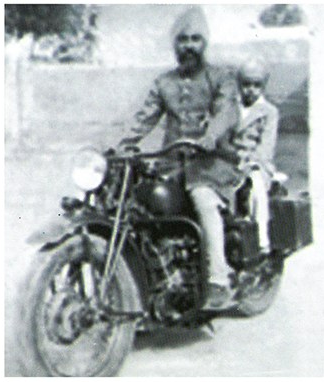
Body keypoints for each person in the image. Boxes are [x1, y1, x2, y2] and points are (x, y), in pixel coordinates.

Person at [119, 6, 243, 310]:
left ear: (205, 43)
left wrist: (209, 138)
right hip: (172, 162)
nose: (189, 45)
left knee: (202, 200)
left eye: (195, 39)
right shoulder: (164, 83)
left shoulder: (221, 78)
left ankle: (219, 280)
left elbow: (227, 111)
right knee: (136, 200)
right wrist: (122, 144)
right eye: (183, 39)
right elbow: (144, 117)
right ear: (175, 44)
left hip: (211, 164)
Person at [232, 57, 279, 254]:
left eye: (256, 85)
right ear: (239, 84)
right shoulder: (231, 108)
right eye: (246, 85)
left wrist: (252, 162)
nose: (250, 89)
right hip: (230, 160)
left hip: (255, 163)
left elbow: (266, 146)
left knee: (256, 188)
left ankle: (261, 238)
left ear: (263, 86)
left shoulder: (269, 112)